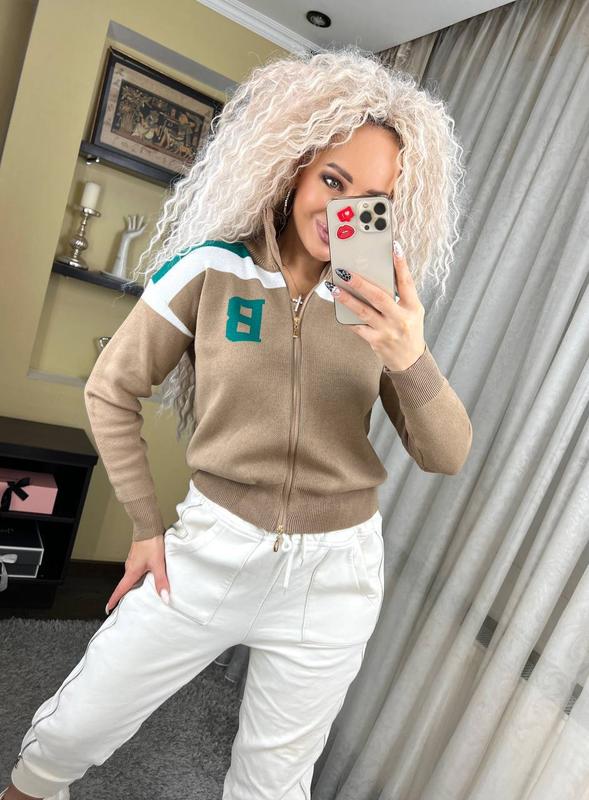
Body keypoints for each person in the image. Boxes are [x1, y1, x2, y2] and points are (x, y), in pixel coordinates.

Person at [4, 45, 472, 800]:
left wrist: (408, 356)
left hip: (336, 576)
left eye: (371, 199)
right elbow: (111, 388)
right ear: (293, 171)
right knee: (71, 732)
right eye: (332, 181)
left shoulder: (378, 307)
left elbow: (446, 454)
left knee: (274, 784)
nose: (343, 212)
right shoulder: (211, 270)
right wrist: (146, 527)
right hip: (214, 548)